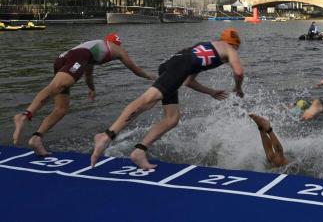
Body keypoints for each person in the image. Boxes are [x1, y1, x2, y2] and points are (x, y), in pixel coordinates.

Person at [90, 28, 245, 169]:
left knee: (172, 118)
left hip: (170, 63)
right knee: (146, 101)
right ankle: (106, 135)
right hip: (180, 66)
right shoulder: (230, 49)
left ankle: (139, 151)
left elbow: (188, 81)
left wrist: (210, 92)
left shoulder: (208, 46)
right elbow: (238, 72)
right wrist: (238, 88)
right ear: (235, 44)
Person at [12, 33, 155, 156]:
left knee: (61, 108)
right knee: (57, 86)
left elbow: (88, 75)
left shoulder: (93, 49)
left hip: (62, 59)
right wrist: (151, 76)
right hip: (76, 57)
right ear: (116, 43)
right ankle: (25, 115)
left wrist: (91, 89)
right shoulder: (116, 49)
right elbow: (135, 70)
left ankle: (36, 139)